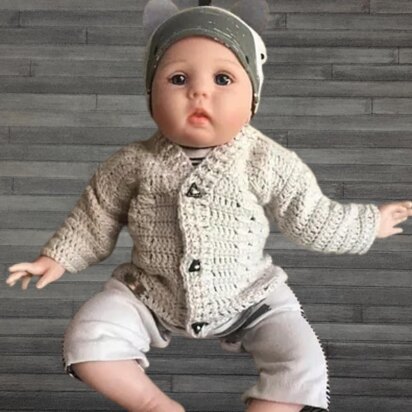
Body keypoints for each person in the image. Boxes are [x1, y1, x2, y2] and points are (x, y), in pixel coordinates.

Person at [5, 2, 412, 412]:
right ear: (151, 96)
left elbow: (310, 216)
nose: (199, 92)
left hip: (250, 295)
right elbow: (96, 216)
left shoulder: (265, 160)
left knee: (303, 362)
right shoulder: (132, 163)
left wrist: (369, 224)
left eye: (223, 79)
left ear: (253, 98)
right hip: (151, 291)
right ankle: (154, 406)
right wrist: (56, 258)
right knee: (87, 336)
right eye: (178, 78)